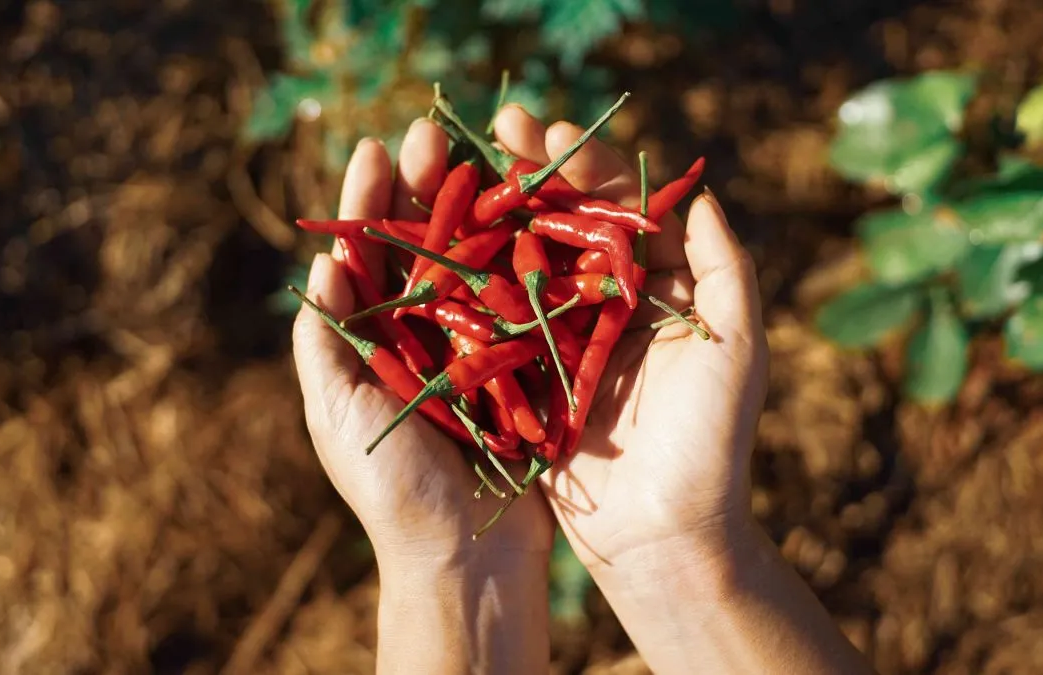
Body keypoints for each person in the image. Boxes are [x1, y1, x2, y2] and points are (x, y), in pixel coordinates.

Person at [292, 104, 875, 674]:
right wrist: (447, 558)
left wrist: (676, 539)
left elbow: (563, 313)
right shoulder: (508, 286)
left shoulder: (537, 253)